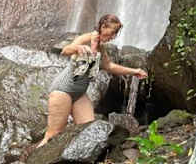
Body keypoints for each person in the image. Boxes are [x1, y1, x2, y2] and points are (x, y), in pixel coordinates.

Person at [39, 14, 148, 147]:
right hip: (63, 90)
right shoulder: (86, 38)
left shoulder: (101, 48)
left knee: (88, 131)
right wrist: (77, 48)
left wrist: (135, 71)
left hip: (80, 94)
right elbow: (65, 51)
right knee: (53, 135)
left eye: (116, 33)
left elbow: (109, 66)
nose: (113, 36)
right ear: (103, 26)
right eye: (112, 32)